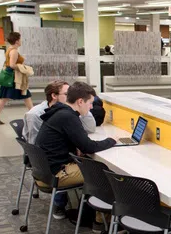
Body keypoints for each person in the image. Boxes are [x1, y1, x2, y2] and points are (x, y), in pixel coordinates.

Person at [35, 82, 117, 218]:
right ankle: (101, 222)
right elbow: (89, 147)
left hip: (44, 170)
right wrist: (112, 140)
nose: (91, 107)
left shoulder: (59, 111)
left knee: (91, 165)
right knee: (104, 174)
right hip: (56, 174)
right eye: (90, 103)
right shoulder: (68, 117)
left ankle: (91, 212)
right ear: (80, 101)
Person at [23, 81, 98, 144]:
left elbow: (90, 129)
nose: (72, 97)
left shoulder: (69, 110)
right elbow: (35, 145)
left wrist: (83, 108)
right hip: (46, 158)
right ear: (54, 96)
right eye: (67, 94)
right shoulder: (35, 114)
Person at [0, 32, 33, 125]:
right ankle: (34, 114)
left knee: (6, 96)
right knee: (25, 94)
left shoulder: (10, 49)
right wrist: (23, 68)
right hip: (14, 78)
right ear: (17, 41)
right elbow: (12, 65)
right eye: (20, 39)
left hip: (10, 77)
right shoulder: (14, 51)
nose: (21, 41)